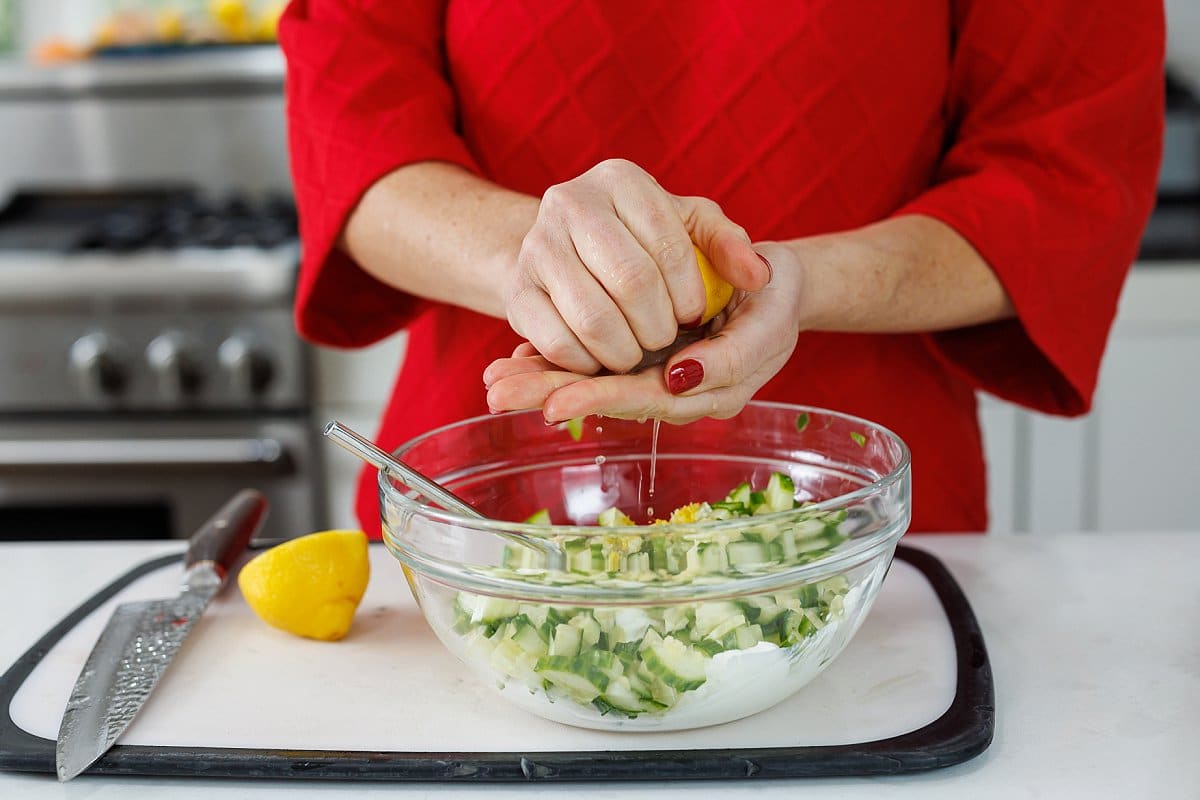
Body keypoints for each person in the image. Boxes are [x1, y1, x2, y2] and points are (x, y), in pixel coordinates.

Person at [279, 1, 1163, 538]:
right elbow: (350, 135)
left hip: (857, 532)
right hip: (473, 520)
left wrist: (800, 284)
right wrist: (538, 258)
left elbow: (1061, 182)